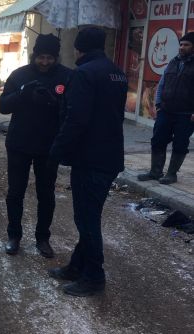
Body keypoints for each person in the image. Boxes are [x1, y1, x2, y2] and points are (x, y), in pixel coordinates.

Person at [48, 27, 128, 297]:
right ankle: (77, 265)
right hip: (109, 156)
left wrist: (56, 150)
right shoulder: (117, 71)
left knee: (87, 219)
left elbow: (76, 118)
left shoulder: (84, 73)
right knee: (89, 215)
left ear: (79, 48)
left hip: (91, 158)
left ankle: (94, 276)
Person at [0, 34, 71, 258]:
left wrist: (54, 101)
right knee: (15, 193)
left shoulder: (67, 77)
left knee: (46, 194)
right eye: (41, 57)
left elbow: (72, 110)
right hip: (19, 144)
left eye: (50, 57)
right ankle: (14, 236)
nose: (45, 62)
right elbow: (2, 107)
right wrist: (22, 93)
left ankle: (42, 238)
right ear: (34, 55)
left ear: (56, 57)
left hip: (48, 147)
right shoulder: (20, 75)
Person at [137, 32, 194, 185]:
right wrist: (158, 105)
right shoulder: (173, 62)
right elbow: (162, 83)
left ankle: (171, 174)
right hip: (166, 111)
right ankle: (155, 172)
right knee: (157, 140)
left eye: (186, 45)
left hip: (186, 114)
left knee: (180, 143)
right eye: (181, 45)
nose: (182, 47)